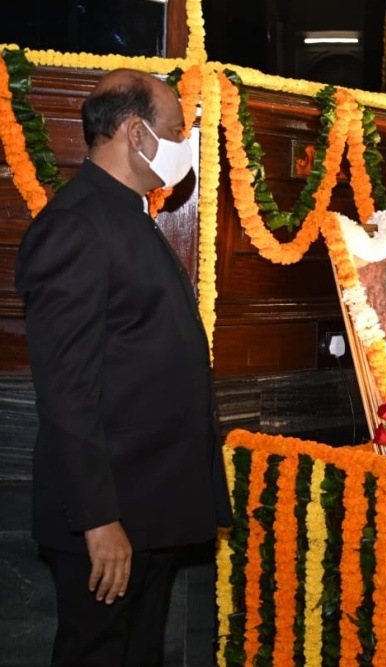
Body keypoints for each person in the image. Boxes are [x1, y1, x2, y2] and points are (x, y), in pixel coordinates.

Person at [16, 69, 231, 665]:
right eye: (176, 130)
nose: (184, 144)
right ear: (137, 133)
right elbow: (68, 392)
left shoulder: (125, 214)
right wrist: (100, 521)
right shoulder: (76, 225)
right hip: (109, 520)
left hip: (148, 509)